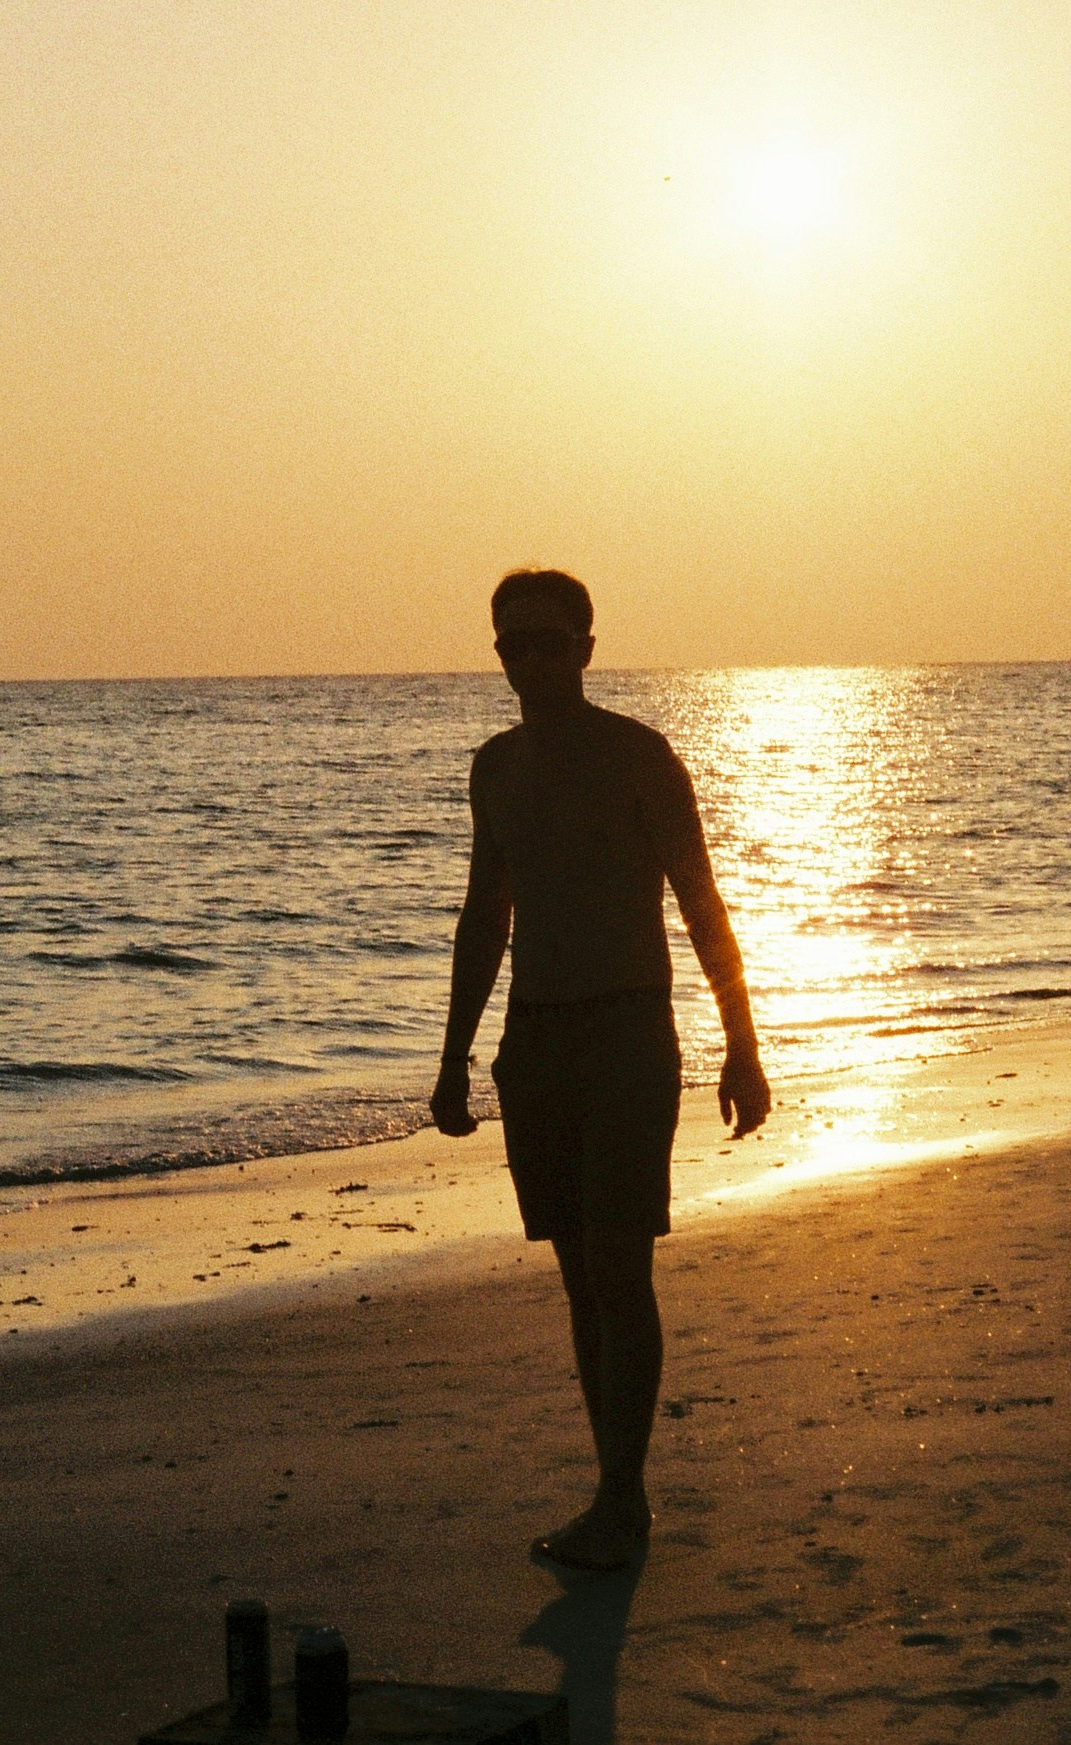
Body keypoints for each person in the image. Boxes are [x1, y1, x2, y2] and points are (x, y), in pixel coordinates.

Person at [428, 567, 770, 1571]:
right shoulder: (495, 768)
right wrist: (452, 1060)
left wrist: (741, 1044)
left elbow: (702, 903)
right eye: (511, 644)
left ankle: (623, 1498)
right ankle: (609, 1489)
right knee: (579, 1275)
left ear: (584, 647)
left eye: (547, 640)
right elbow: (483, 918)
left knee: (621, 1266)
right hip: (535, 1039)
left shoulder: (639, 759)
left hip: (626, 1033)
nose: (529, 659)